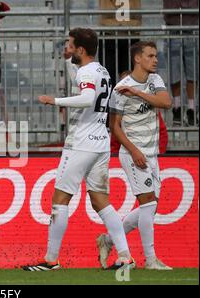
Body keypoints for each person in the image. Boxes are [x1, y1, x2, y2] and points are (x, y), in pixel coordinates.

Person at [22, 28, 134, 271]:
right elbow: (87, 83)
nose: (68, 48)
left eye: (71, 45)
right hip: (101, 142)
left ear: (81, 50)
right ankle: (125, 256)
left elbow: (87, 97)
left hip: (81, 142)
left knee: (60, 199)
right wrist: (67, 60)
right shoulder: (101, 70)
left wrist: (55, 101)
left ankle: (51, 260)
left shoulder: (86, 71)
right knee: (101, 201)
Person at [97, 41, 173, 270]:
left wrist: (138, 93)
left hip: (152, 153)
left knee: (150, 205)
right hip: (133, 153)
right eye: (150, 56)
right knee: (148, 203)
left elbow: (166, 102)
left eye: (156, 56)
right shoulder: (121, 89)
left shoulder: (154, 80)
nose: (155, 60)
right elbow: (115, 127)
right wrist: (134, 150)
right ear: (137, 59)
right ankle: (150, 260)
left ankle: (108, 240)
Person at [110, 71, 169, 154]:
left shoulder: (150, 106)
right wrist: (115, 156)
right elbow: (115, 137)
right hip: (130, 154)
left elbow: (162, 132)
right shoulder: (120, 112)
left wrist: (160, 153)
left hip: (152, 153)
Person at [163, 0, 199, 126]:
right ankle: (177, 108)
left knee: (193, 72)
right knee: (174, 73)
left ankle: (191, 109)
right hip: (173, 27)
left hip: (192, 28)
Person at [97, 0, 141, 86]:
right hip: (111, 30)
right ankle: (112, 98)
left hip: (127, 29)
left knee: (128, 77)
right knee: (108, 75)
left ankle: (125, 98)